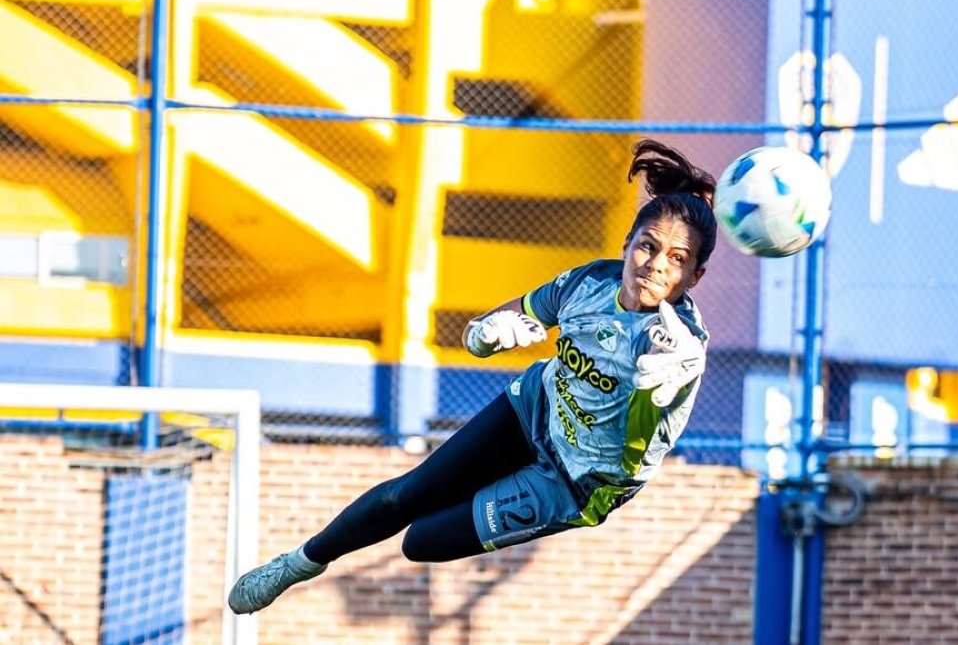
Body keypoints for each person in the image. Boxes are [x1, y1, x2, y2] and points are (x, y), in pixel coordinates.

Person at [228, 138, 718, 615]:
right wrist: (489, 330)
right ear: (627, 243)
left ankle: (491, 488)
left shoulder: (681, 347)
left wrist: (665, 391)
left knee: (420, 542)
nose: (655, 265)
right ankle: (297, 563)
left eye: (677, 259)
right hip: (533, 410)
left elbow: (655, 412)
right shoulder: (589, 281)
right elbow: (515, 315)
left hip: (575, 482)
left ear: (694, 277)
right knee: (407, 494)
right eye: (647, 246)